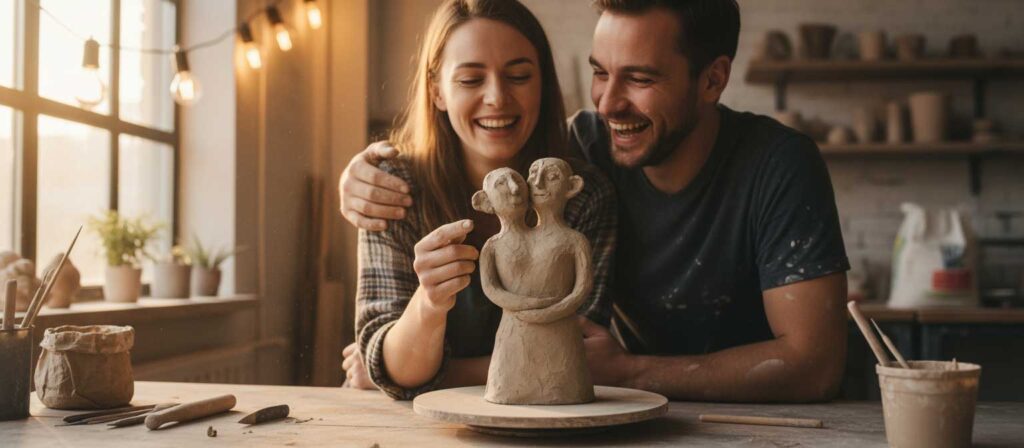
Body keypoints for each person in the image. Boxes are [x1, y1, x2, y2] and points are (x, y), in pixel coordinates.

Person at [341, 0, 850, 403]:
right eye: (600, 72)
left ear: (712, 79)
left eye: (640, 78)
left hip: (776, 424)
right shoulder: (584, 146)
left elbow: (816, 367)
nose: (606, 104)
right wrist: (359, 173)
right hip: (634, 415)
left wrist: (630, 372)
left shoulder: (778, 164)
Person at [349, 0, 617, 400]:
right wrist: (428, 303)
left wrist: (411, 374)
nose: (497, 97)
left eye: (519, 76)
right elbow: (389, 361)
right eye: (471, 80)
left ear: (543, 82)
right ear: (436, 90)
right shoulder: (392, 186)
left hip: (550, 423)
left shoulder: (583, 195)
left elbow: (571, 357)